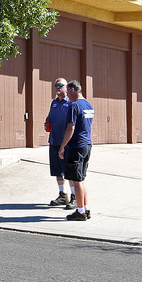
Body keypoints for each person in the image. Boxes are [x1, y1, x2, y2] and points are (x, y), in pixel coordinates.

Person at [58, 80, 94, 221]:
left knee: (76, 179)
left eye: (68, 91)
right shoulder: (88, 105)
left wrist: (62, 146)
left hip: (76, 146)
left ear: (73, 90)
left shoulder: (74, 106)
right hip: (87, 145)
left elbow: (71, 127)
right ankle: (85, 208)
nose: (67, 95)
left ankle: (80, 212)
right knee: (81, 178)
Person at [44, 77, 73, 206]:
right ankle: (62, 195)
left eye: (60, 85)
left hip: (66, 143)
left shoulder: (71, 103)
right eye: (56, 85)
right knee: (57, 171)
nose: (57, 87)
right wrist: (47, 123)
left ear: (66, 87)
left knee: (69, 171)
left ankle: (74, 196)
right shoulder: (54, 103)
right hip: (54, 141)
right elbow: (49, 117)